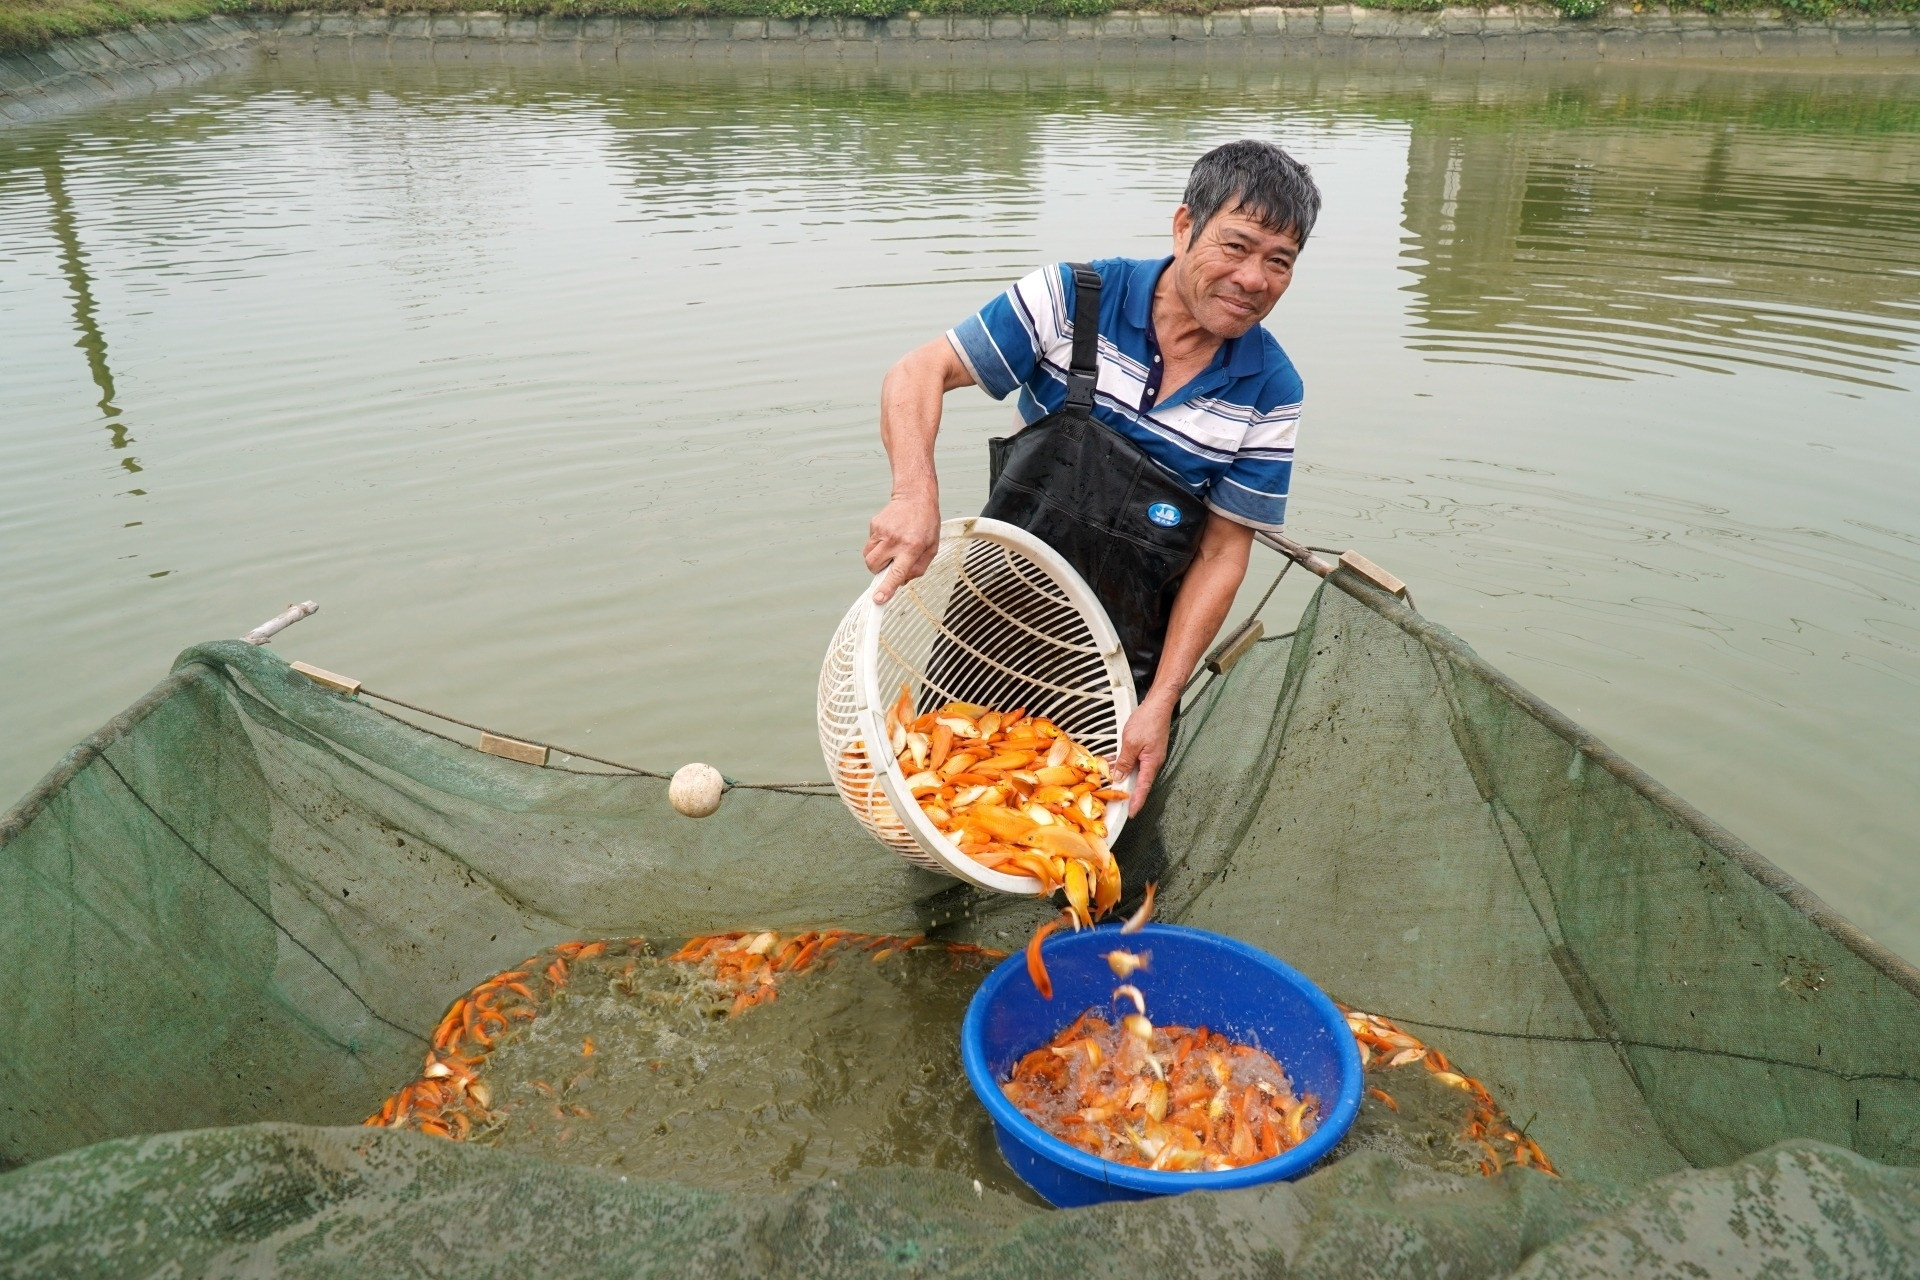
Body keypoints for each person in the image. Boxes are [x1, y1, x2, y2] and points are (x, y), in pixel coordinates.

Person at [863, 140, 1320, 812]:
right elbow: (918, 372)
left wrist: (1160, 701)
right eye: (1236, 246)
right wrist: (913, 495)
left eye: (1278, 262)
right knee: (942, 814)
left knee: (1096, 849)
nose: (1254, 278)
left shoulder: (1271, 390)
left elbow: (1223, 554)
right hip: (986, 632)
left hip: (1119, 671)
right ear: (1184, 225)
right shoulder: (1075, 299)